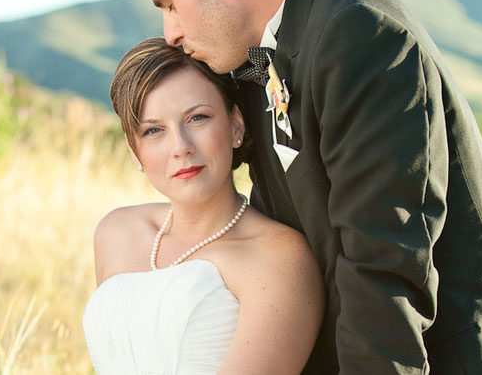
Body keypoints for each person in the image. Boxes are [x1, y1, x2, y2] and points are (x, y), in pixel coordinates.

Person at [138, 0, 482, 374]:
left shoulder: (359, 32)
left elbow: (384, 266)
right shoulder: (255, 52)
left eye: (169, 4)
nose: (171, 33)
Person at [83, 37, 324, 374]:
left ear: (236, 124)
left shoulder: (280, 258)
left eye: (197, 118)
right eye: (154, 130)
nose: (180, 147)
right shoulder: (116, 233)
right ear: (134, 150)